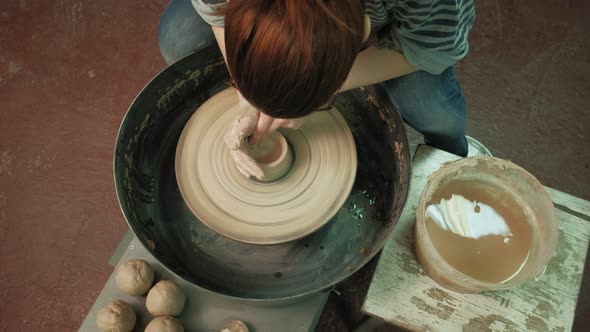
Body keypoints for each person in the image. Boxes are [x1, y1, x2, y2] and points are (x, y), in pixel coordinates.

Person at [158, 0, 477, 179]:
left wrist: (320, 92)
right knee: (179, 36)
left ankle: (453, 158)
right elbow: (215, 11)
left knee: (430, 106)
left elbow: (433, 48)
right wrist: (247, 91)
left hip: (401, 27)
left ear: (362, 33)